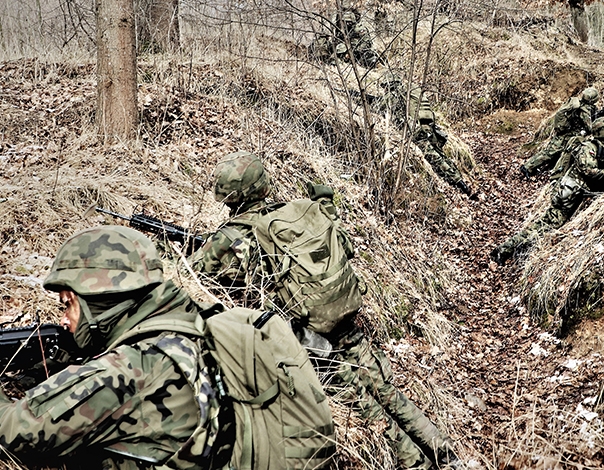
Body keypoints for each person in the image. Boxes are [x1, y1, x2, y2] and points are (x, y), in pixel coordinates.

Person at [193, 151, 456, 469]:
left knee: (367, 410)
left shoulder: (227, 237)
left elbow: (193, 278)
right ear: (264, 185)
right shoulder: (294, 215)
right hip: (341, 317)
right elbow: (345, 247)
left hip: (309, 340)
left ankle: (417, 465)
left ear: (229, 197)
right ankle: (443, 451)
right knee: (385, 390)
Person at [0, 226, 230, 470]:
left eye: (68, 305)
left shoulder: (130, 367)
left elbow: (13, 432)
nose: (64, 320)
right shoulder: (192, 317)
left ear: (98, 301)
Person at [492, 117, 604, 265]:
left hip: (573, 193)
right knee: (546, 226)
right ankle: (504, 250)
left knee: (542, 224)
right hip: (568, 196)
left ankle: (505, 249)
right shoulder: (588, 148)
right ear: (603, 134)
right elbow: (589, 172)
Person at [381, 74, 473, 197]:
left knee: (435, 158)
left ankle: (460, 185)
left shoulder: (394, 95)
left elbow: (381, 106)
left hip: (417, 130)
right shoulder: (413, 89)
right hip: (429, 126)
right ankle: (461, 180)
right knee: (441, 155)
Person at [520, 86, 600, 178]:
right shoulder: (584, 110)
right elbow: (589, 128)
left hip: (567, 133)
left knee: (550, 152)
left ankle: (530, 167)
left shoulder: (580, 104)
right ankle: (527, 167)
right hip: (566, 135)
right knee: (549, 153)